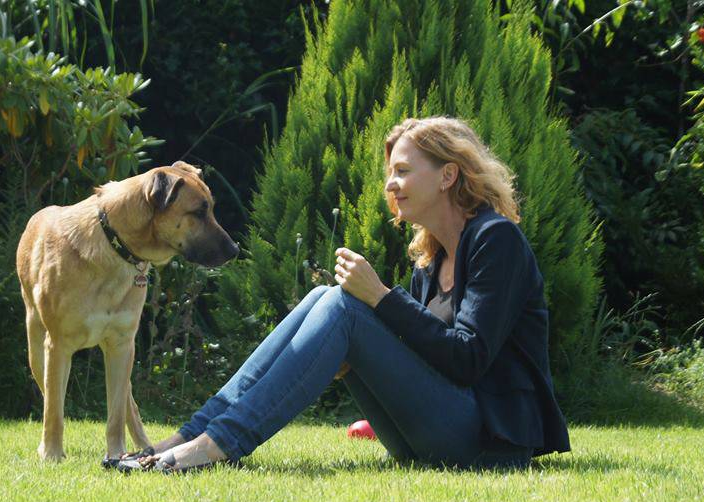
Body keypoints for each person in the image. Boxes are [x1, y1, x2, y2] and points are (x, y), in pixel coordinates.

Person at [119, 116, 570, 473]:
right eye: (390, 173)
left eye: (404, 171)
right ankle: (188, 437)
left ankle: (218, 444)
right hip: (432, 434)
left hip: (488, 441)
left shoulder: (496, 240)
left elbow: (469, 359)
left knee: (344, 305)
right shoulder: (431, 258)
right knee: (325, 297)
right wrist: (351, 351)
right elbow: (422, 350)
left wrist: (381, 298)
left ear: (448, 175)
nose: (390, 184)